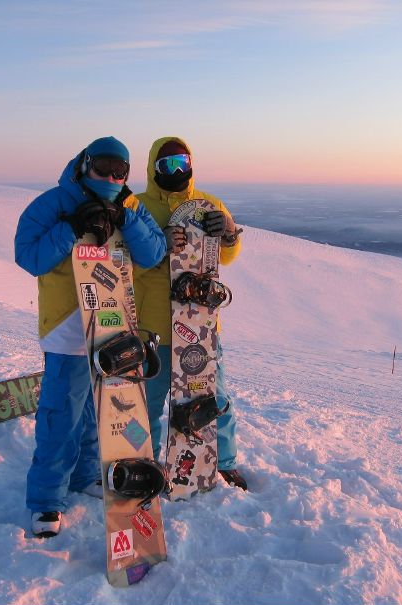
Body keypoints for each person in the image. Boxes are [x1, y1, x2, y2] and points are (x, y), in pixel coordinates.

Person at [14, 136, 166, 537]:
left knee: (97, 413)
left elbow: (154, 254)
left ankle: (84, 475)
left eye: (121, 171)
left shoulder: (130, 206)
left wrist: (126, 219)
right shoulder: (55, 203)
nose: (112, 177)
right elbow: (28, 255)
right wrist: (70, 227)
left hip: (113, 329)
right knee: (61, 414)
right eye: (104, 167)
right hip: (67, 330)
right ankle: (46, 500)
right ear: (84, 164)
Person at [134, 136, 248, 491]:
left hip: (200, 326)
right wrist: (157, 245)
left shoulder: (208, 204)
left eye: (182, 162)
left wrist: (229, 232)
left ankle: (223, 462)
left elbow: (226, 256)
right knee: (149, 403)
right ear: (154, 168)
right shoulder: (137, 207)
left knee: (214, 398)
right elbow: (127, 264)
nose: (177, 170)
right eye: (168, 164)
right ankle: (147, 463)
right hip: (154, 328)